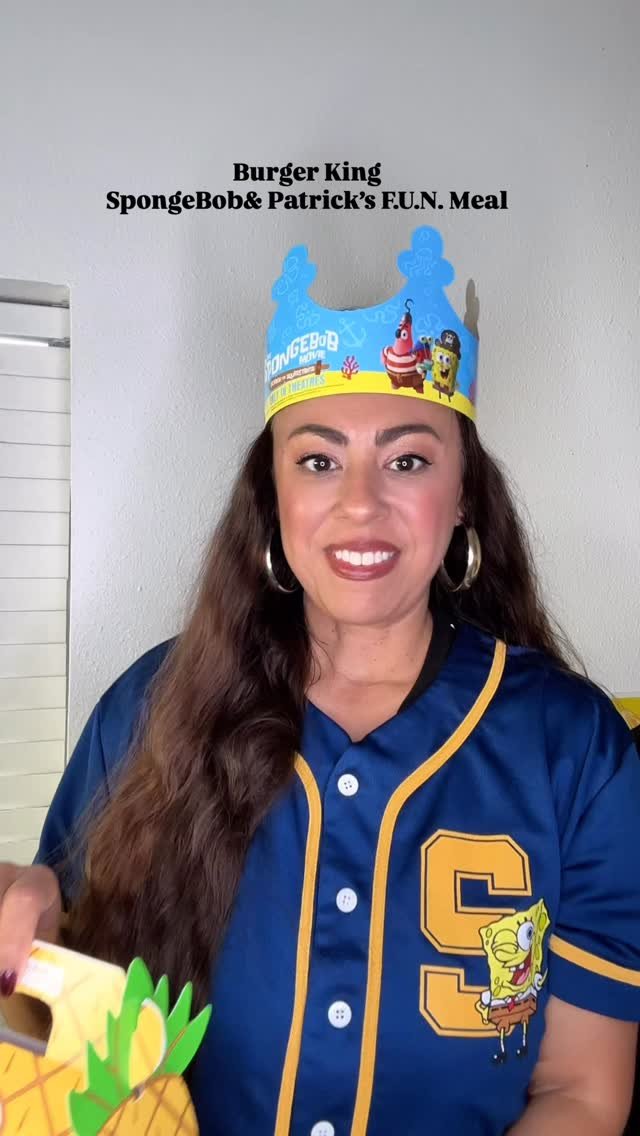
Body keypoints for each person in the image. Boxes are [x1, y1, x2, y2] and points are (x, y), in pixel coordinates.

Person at [1, 227, 639, 1136]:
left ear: (463, 491)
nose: (360, 503)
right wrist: (23, 908)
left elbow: (583, 1094)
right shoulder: (148, 711)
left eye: (408, 460)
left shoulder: (576, 751)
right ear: (274, 493)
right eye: (318, 460)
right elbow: (58, 1033)